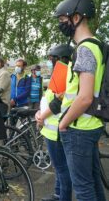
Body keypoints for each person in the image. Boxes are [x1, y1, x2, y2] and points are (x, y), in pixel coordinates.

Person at [55, 0, 106, 200]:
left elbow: (85, 97)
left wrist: (63, 123)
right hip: (92, 124)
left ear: (76, 18)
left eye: (62, 20)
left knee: (83, 188)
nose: (61, 25)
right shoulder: (97, 45)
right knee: (93, 183)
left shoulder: (84, 49)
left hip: (79, 128)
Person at [35, 44, 74, 201]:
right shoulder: (60, 74)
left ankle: (64, 197)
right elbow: (48, 99)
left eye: (52, 59)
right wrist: (39, 112)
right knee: (58, 167)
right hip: (50, 128)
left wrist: (42, 116)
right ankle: (58, 194)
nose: (50, 62)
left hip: (56, 130)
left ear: (61, 59)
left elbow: (58, 103)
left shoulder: (65, 74)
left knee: (62, 168)